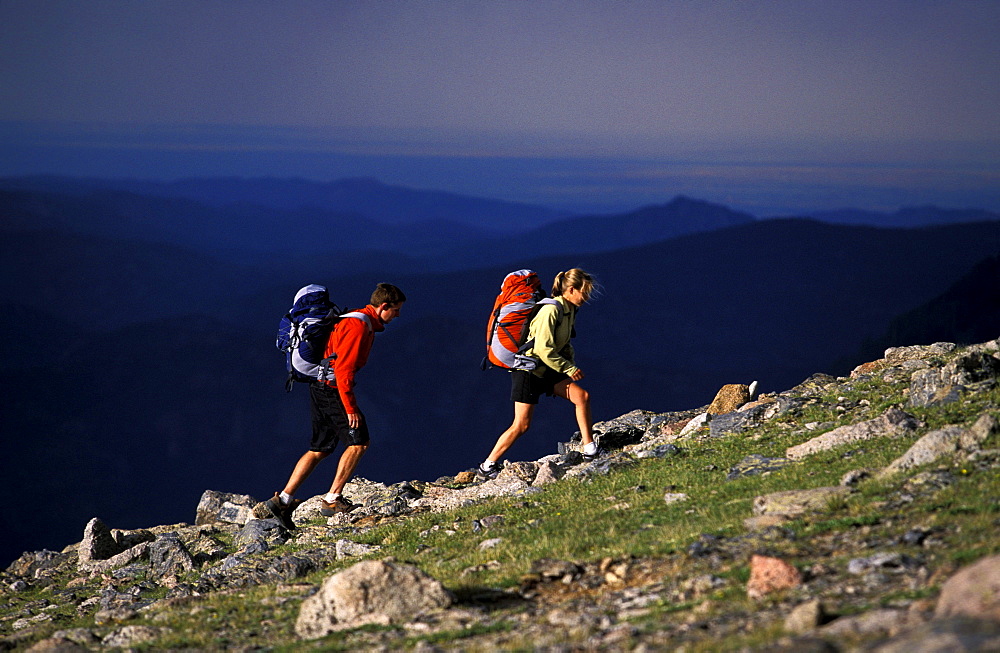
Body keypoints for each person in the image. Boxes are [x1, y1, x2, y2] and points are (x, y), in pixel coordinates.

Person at [261, 282, 406, 528]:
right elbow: (344, 370)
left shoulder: (357, 320)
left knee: (320, 448)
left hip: (320, 386)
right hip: (332, 390)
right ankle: (332, 499)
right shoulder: (357, 326)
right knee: (359, 443)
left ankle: (283, 500)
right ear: (383, 306)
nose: (398, 315)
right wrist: (350, 409)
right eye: (396, 310)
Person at [478, 268, 603, 478]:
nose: (587, 297)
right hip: (528, 370)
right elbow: (544, 348)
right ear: (571, 289)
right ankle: (487, 466)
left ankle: (590, 449)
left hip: (547, 368)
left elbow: (562, 344)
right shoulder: (550, 310)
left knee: (582, 397)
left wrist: (567, 362)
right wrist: (569, 368)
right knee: (521, 425)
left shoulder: (570, 309)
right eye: (585, 291)